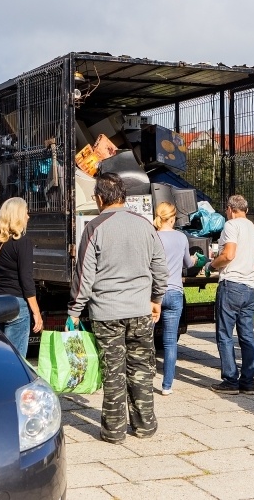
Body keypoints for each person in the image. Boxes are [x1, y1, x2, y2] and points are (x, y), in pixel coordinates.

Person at [68, 173, 168, 444]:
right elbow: (160, 268)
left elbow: (84, 276)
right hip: (140, 311)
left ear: (100, 198)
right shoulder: (145, 225)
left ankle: (114, 431)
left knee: (113, 372)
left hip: (107, 314)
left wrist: (75, 311)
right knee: (142, 369)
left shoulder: (95, 227)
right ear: (123, 196)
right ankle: (145, 425)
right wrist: (156, 299)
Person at [0, 197, 43, 357]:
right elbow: (26, 280)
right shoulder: (23, 243)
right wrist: (36, 312)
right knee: (15, 358)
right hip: (15, 304)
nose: (28, 217)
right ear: (17, 216)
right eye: (25, 213)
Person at [208, 195, 254, 395]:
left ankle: (230, 379)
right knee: (247, 335)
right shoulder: (253, 227)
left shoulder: (231, 225)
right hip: (250, 287)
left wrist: (212, 265)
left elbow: (229, 254)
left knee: (225, 334)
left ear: (230, 209)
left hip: (232, 285)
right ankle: (248, 381)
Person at [153, 201, 200, 396]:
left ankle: (144, 379)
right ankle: (167, 386)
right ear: (172, 218)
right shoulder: (181, 237)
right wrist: (195, 259)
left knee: (145, 339)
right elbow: (188, 263)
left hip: (154, 294)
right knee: (170, 341)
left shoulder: (153, 237)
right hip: (174, 292)